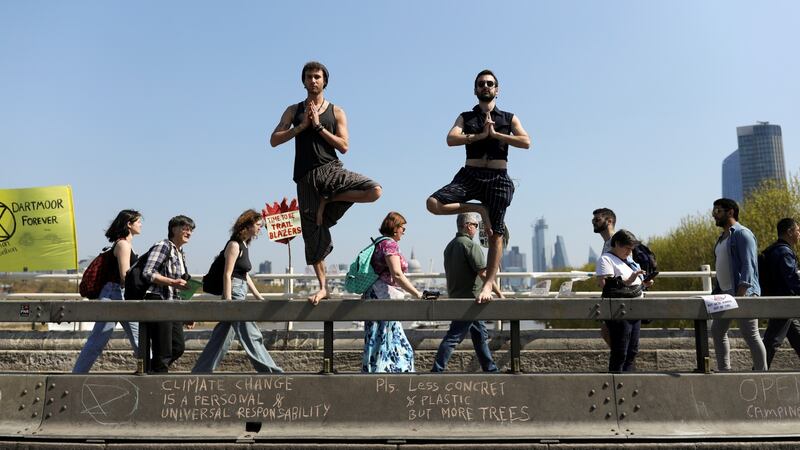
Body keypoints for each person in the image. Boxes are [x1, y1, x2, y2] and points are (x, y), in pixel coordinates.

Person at [270, 61, 382, 305]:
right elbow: (274, 140)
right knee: (312, 234)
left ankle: (329, 199)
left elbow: (344, 146)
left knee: (374, 190)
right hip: (305, 177)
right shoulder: (293, 110)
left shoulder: (337, 111)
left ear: (324, 81)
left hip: (331, 170)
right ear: (303, 81)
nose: (313, 80)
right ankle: (323, 287)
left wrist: (319, 126)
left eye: (317, 77)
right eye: (309, 77)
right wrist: (301, 126)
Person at [427, 69, 530, 303]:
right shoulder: (466, 117)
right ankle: (479, 210)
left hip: (498, 177)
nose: (486, 86)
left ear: (497, 89)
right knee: (433, 203)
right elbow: (451, 139)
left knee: (496, 233)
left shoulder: (509, 118)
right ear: (475, 90)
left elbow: (526, 141)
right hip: (470, 175)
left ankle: (488, 284)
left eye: (490, 83)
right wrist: (478, 137)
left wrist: (496, 135)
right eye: (481, 84)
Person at [193, 210, 282, 373]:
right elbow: (228, 274)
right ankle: (271, 372)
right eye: (258, 225)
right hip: (233, 292)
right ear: (247, 225)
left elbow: (244, 275)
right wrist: (228, 303)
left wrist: (258, 296)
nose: (260, 229)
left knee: (221, 339)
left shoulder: (245, 245)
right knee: (252, 334)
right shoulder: (234, 245)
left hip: (240, 290)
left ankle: (201, 372)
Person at [431, 212, 503, 373]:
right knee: (453, 337)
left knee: (480, 336)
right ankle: (436, 370)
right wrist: (499, 294)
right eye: (476, 225)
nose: (477, 229)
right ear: (468, 226)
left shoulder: (449, 246)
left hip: (456, 296)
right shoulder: (470, 245)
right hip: (471, 300)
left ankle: (490, 369)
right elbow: (484, 274)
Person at [73, 210, 142, 373]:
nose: (141, 224)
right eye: (138, 221)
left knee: (138, 339)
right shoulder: (123, 245)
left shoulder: (124, 244)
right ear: (129, 224)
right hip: (115, 294)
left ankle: (148, 371)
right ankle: (76, 376)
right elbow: (125, 276)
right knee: (99, 340)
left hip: (115, 294)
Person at [710, 198, 767, 372]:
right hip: (725, 294)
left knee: (750, 334)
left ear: (730, 212)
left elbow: (748, 264)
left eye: (718, 211)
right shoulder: (721, 238)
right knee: (718, 332)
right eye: (713, 211)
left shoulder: (742, 234)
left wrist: (742, 293)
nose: (714, 215)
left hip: (743, 293)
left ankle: (761, 373)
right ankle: (724, 371)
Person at [362, 212, 422, 373]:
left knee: (377, 338)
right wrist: (417, 293)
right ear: (395, 228)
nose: (404, 231)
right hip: (384, 296)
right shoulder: (390, 245)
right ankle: (389, 380)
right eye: (403, 228)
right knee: (396, 345)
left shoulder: (379, 243)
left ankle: (374, 374)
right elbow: (396, 273)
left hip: (374, 294)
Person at [140, 215, 196, 373]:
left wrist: (187, 313)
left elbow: (181, 286)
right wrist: (172, 282)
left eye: (191, 229)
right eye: (185, 228)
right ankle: (157, 383)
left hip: (173, 305)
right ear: (174, 229)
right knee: (163, 351)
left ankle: (149, 370)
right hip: (159, 302)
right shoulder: (163, 246)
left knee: (178, 347)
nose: (189, 232)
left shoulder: (180, 253)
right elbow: (148, 273)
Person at [596, 230, 653, 372]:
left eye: (631, 249)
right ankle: (617, 380)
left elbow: (632, 286)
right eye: (626, 248)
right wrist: (630, 280)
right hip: (619, 311)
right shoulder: (606, 259)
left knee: (632, 350)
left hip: (635, 309)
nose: (629, 252)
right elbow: (607, 286)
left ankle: (628, 379)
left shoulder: (630, 261)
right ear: (616, 244)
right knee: (620, 350)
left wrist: (643, 284)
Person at [760, 218, 800, 368]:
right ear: (789, 232)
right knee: (772, 341)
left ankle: (758, 369)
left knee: (796, 336)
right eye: (798, 230)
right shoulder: (784, 252)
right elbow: (793, 280)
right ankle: (757, 371)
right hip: (784, 303)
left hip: (776, 300)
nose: (799, 234)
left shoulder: (772, 249)